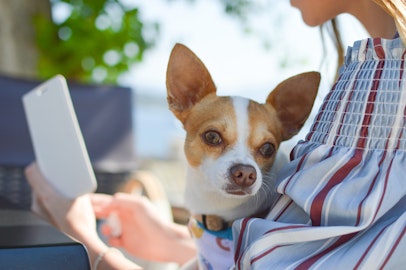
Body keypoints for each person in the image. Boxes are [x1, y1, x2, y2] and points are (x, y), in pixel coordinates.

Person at [25, 0, 405, 269]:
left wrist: (84, 244)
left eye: (265, 149)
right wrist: (181, 240)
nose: (246, 169)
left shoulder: (392, 87)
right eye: (213, 138)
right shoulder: (365, 72)